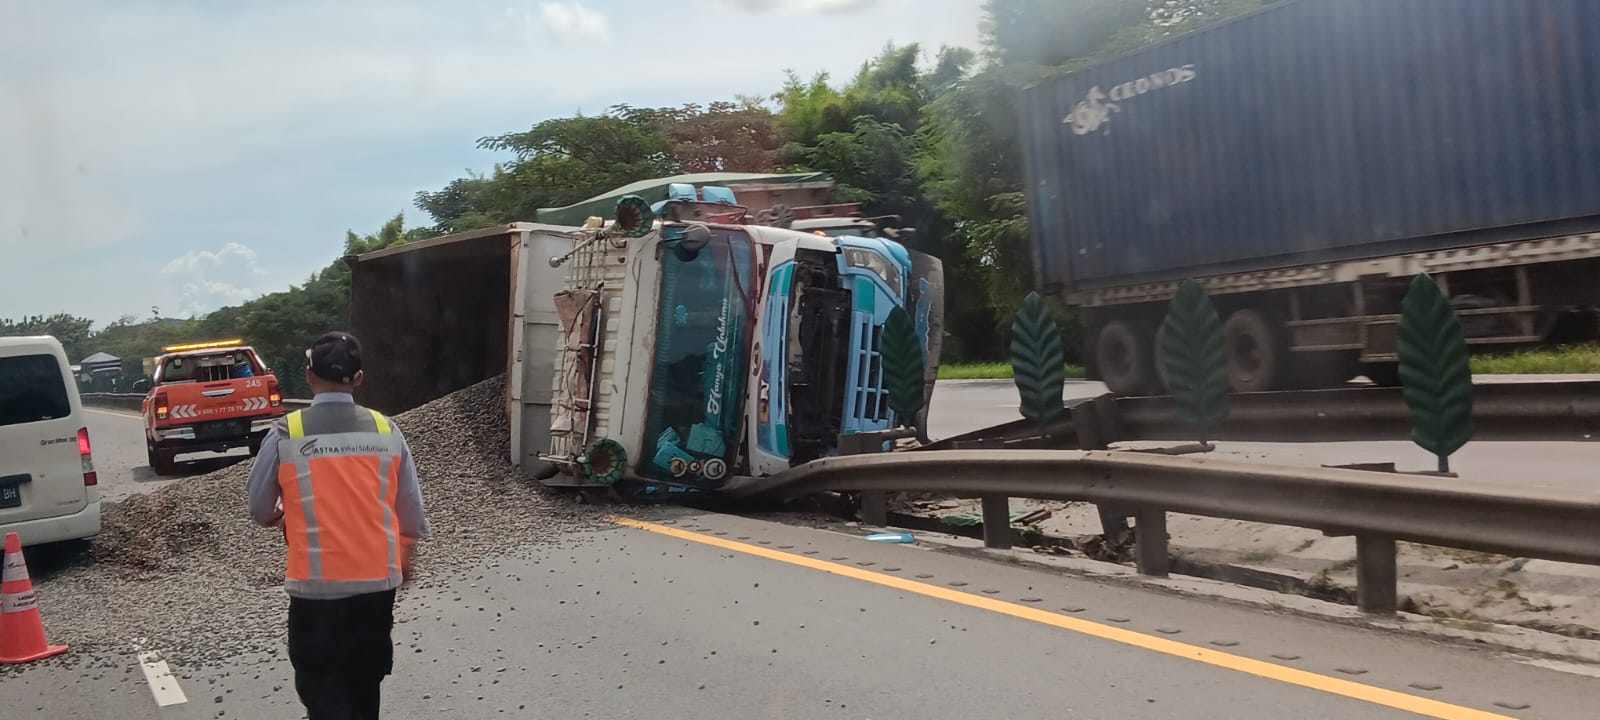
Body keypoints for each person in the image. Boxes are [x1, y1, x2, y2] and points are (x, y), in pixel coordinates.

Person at [246, 331, 428, 720]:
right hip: (376, 585)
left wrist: (284, 511)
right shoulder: (386, 431)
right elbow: (411, 515)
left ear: (309, 375)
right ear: (358, 378)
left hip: (316, 590)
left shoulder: (286, 433)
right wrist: (404, 560)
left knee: (322, 692)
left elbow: (260, 509)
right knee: (365, 687)